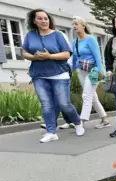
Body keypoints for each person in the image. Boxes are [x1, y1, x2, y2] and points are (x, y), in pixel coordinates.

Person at [23, 9, 84, 143]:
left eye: (46, 18)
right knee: (46, 104)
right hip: (39, 74)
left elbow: (67, 54)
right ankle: (51, 132)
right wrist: (34, 57)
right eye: (40, 18)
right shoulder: (30, 35)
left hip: (59, 74)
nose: (44, 21)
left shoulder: (58, 35)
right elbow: (25, 53)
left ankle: (78, 122)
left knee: (64, 104)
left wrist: (49, 56)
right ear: (34, 21)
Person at [71, 16, 110, 129]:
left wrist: (100, 71)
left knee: (86, 95)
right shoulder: (75, 42)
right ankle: (105, 119)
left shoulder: (91, 39)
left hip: (93, 72)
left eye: (76, 24)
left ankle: (81, 121)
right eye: (73, 24)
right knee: (92, 96)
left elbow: (97, 56)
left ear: (83, 25)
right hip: (81, 71)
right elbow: (74, 57)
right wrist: (72, 69)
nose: (74, 26)